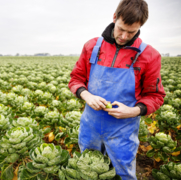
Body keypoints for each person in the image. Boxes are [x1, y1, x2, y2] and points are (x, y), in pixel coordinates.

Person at [68, 0, 166, 179]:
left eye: (132, 32)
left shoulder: (149, 55)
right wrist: (86, 94)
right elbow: (76, 79)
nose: (124, 36)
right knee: (86, 171)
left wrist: (133, 111)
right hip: (90, 126)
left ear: (140, 26)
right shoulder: (92, 47)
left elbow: (155, 95)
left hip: (123, 131)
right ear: (114, 17)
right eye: (121, 28)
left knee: (123, 174)